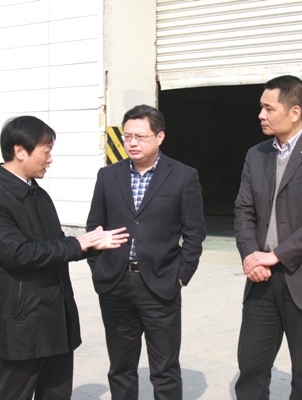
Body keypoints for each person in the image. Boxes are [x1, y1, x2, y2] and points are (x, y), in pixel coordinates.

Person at [0, 115, 129, 400]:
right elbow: (19, 254)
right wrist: (79, 244)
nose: (50, 159)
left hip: (55, 317)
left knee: (56, 393)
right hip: (22, 322)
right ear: (20, 151)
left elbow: (54, 246)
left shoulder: (37, 194)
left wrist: (93, 244)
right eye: (46, 151)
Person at [233, 75, 302, 400]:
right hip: (261, 279)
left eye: (269, 108)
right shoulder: (256, 154)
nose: (261, 115)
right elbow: (243, 210)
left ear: (294, 112)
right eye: (261, 107)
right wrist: (251, 255)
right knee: (251, 367)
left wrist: (277, 254)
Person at [86, 104, 206, 400]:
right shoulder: (108, 176)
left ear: (160, 137)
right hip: (115, 285)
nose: (132, 143)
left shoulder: (183, 176)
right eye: (127, 136)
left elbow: (194, 233)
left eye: (140, 136)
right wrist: (99, 267)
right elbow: (94, 227)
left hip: (160, 285)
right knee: (120, 367)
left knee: (164, 369)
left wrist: (180, 276)